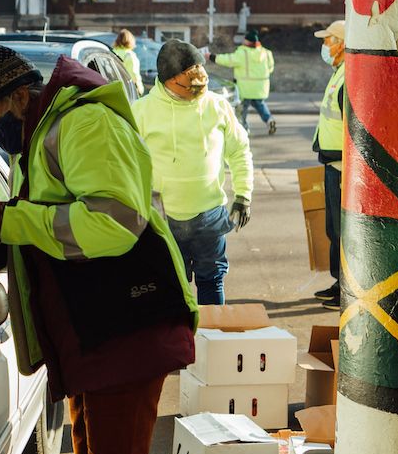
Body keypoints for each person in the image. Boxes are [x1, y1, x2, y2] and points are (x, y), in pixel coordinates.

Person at [0, 41, 197, 454]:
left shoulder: (83, 123)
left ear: (18, 96)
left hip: (128, 327)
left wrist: (11, 222)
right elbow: (48, 228)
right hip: (93, 333)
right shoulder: (37, 138)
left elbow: (114, 222)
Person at [132, 39, 254, 306]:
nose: (196, 89)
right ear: (166, 79)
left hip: (209, 215)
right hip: (162, 217)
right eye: (187, 84)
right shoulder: (141, 112)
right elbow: (125, 162)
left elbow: (239, 150)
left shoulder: (217, 106)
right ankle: (177, 345)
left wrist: (243, 195)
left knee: (211, 281)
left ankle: (213, 342)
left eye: (200, 82)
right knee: (168, 287)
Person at [311, 20, 346, 311]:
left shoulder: (348, 77)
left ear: (342, 43)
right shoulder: (339, 72)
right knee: (333, 230)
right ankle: (338, 284)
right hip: (333, 163)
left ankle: (345, 290)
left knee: (341, 231)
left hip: (343, 168)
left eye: (328, 40)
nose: (324, 45)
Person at [210, 29, 277, 134]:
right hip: (260, 88)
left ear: (248, 42)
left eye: (245, 40)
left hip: (245, 88)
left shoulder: (242, 53)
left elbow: (228, 60)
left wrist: (212, 57)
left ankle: (244, 129)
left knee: (242, 110)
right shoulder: (266, 53)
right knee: (260, 105)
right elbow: (270, 68)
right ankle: (269, 120)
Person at [112, 28, 144, 95]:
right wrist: (140, 89)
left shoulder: (112, 52)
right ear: (131, 40)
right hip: (128, 91)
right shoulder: (130, 55)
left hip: (113, 89)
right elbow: (134, 74)